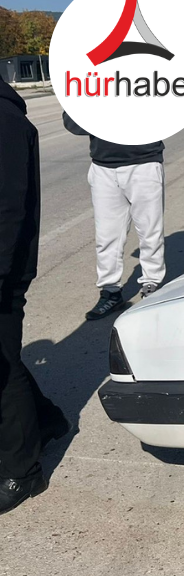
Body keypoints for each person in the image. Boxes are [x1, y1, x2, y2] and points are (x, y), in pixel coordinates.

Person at [1, 75, 68, 515]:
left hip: (3, 271)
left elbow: (7, 209)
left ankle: (21, 473)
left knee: (2, 368)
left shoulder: (5, 121)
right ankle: (45, 419)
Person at [62, 113, 166, 319]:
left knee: (150, 230)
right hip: (103, 166)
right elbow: (72, 124)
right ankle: (110, 292)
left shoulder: (146, 81)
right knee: (106, 236)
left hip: (144, 162)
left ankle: (151, 285)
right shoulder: (91, 86)